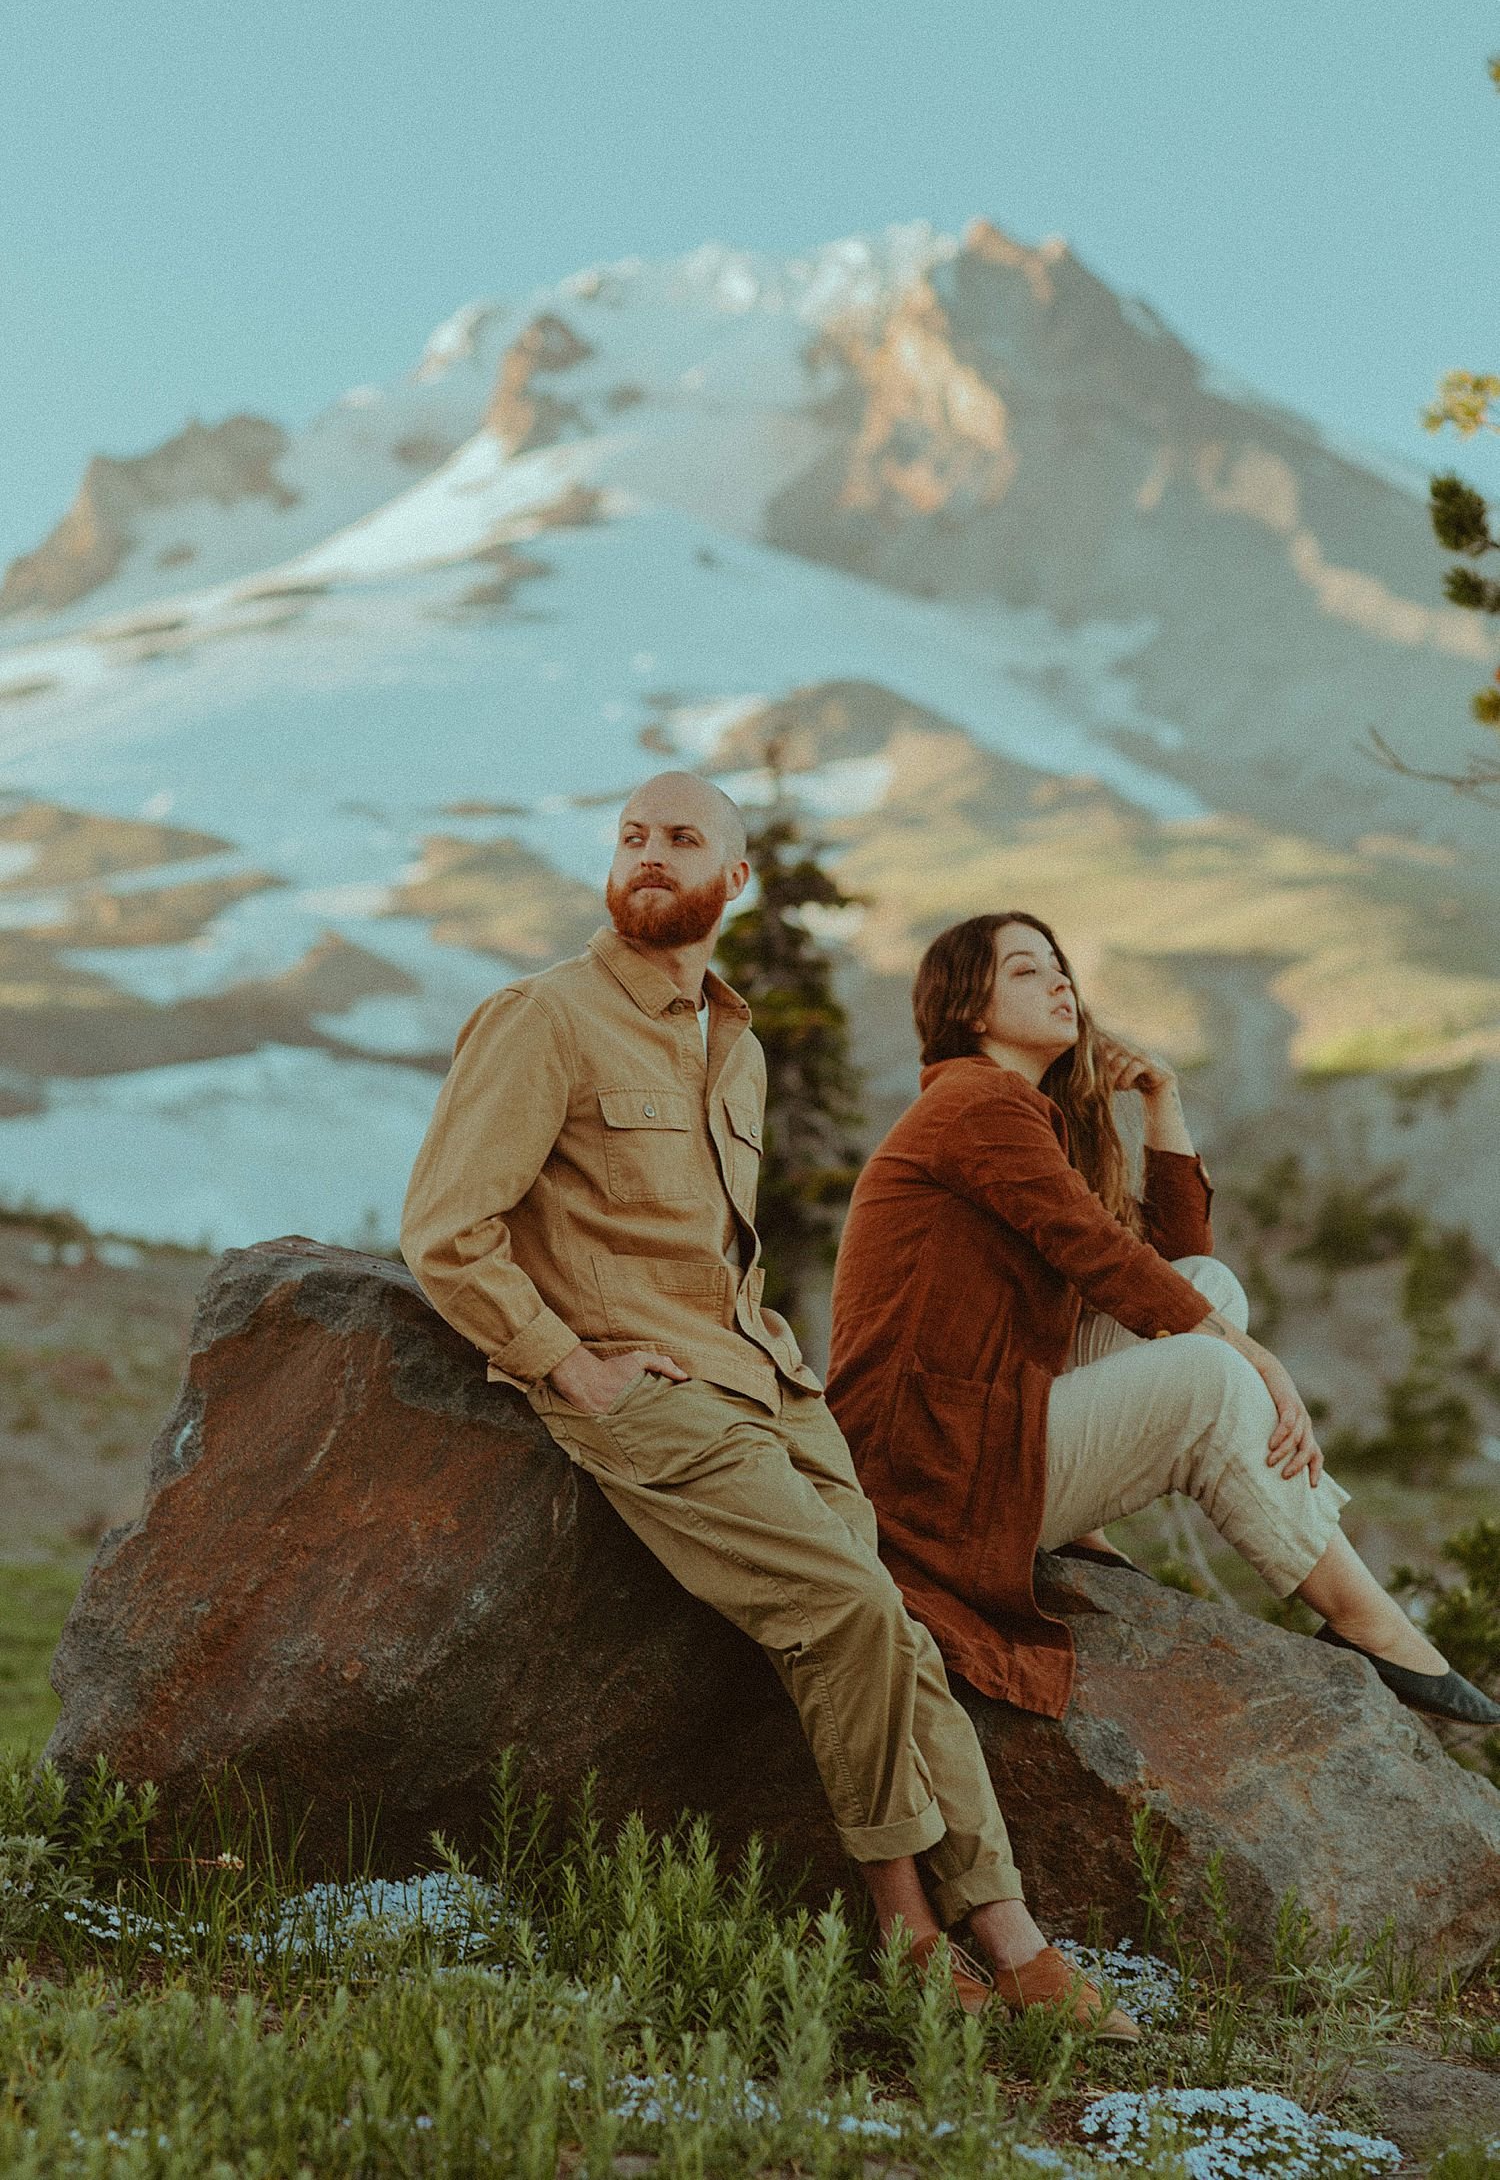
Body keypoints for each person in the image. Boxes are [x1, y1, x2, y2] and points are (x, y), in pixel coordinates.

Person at [401, 783, 1139, 2034]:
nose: (648, 857)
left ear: (733, 878)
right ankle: (913, 1951)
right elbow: (444, 1230)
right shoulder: (543, 1019)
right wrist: (564, 1363)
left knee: (905, 1633)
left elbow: (719, 1249)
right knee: (848, 1611)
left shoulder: (731, 1043)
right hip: (641, 1389)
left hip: (764, 1381)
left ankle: (1012, 1944)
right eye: (632, 837)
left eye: (681, 840)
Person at [825, 909, 1500, 1733]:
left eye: (1059, 965)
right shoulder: (978, 1107)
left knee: (1207, 1285)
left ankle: (1110, 1533)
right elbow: (1104, 1261)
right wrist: (1261, 1363)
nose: (1061, 982)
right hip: (929, 1475)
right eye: (1027, 971)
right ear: (970, 1008)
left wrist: (1161, 1100)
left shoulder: (1021, 1113)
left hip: (976, 1430)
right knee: (1210, 1370)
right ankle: (1369, 1621)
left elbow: (1176, 1262)